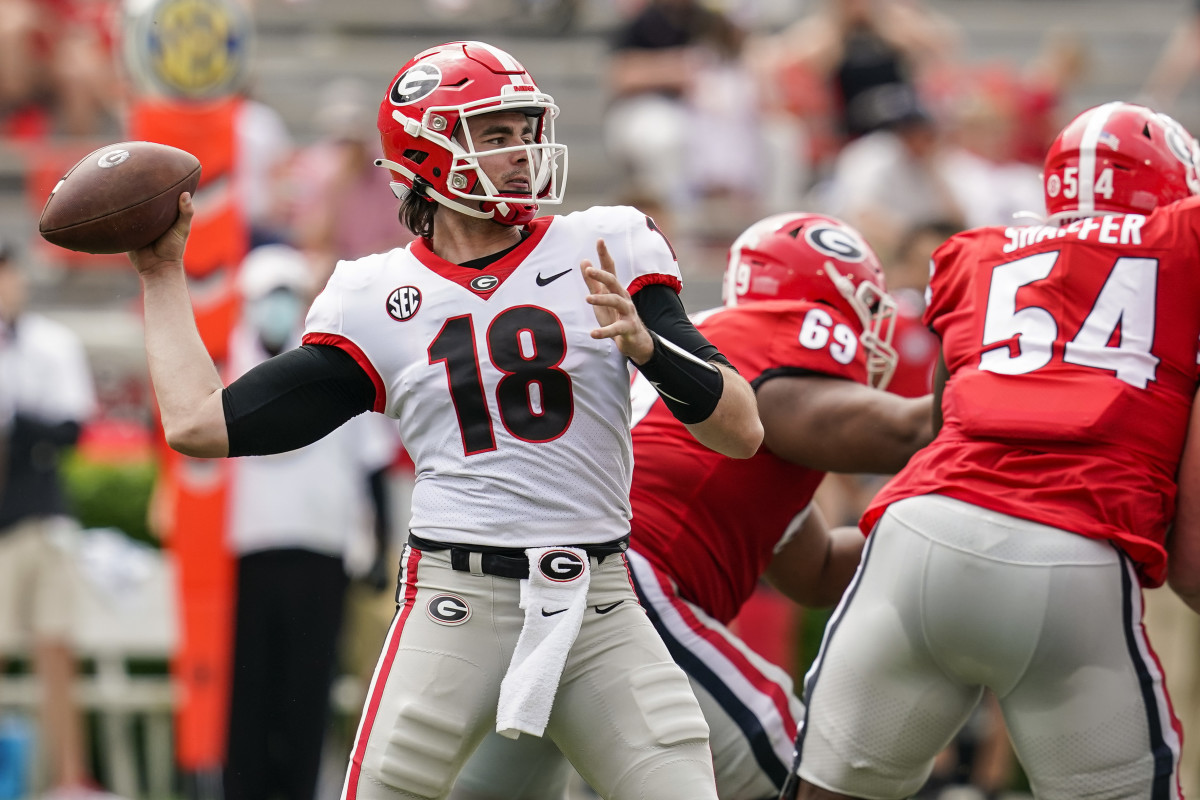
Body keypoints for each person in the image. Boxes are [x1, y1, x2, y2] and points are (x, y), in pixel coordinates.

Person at [125, 39, 762, 800]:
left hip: (598, 602)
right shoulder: (373, 296)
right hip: (456, 606)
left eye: (527, 129)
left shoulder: (608, 245)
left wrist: (650, 349)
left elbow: (741, 428)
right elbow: (202, 423)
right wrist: (163, 275)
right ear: (426, 153)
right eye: (496, 135)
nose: (524, 152)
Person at [782, 101, 1200, 800]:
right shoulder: (1184, 239)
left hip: (919, 537)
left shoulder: (974, 252)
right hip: (1075, 555)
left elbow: (939, 423)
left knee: (826, 790)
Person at [451, 211, 934, 800]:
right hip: (625, 582)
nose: (874, 328)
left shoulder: (730, 406)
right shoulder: (778, 346)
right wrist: (1009, 385)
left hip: (555, 582)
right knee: (810, 771)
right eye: (865, 305)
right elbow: (908, 433)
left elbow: (819, 571)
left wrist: (932, 526)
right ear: (821, 303)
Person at [222, 244, 399, 800]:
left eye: (284, 296)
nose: (274, 308)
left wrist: (379, 546)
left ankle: (299, 791)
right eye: (264, 297)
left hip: (323, 550)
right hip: (250, 548)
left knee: (308, 686)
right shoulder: (223, 362)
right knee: (250, 687)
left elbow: (372, 462)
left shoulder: (329, 365)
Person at [0, 244, 111, 799]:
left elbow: (70, 428)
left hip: (39, 517)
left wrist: (21, 428)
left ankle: (67, 780)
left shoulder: (50, 345)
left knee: (55, 653)